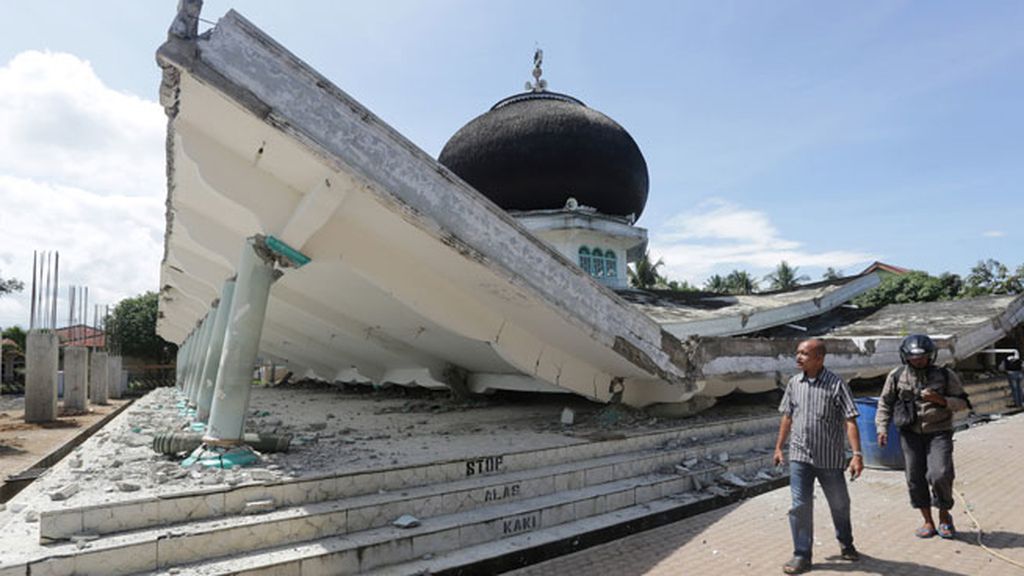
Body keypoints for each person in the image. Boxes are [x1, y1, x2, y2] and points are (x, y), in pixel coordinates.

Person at [774, 338, 863, 574]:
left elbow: (850, 420)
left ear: (819, 358)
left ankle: (846, 541)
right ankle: (802, 554)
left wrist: (857, 454)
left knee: (840, 504)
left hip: (829, 459)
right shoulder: (794, 383)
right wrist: (778, 447)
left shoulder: (836, 384)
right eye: (798, 352)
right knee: (800, 505)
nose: (798, 357)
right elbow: (787, 416)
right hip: (800, 455)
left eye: (804, 353)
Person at [876, 334, 968, 540]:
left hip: (939, 432)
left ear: (931, 356)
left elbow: (963, 403)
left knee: (940, 474)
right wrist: (881, 428)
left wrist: (941, 400)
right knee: (915, 478)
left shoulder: (945, 375)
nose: (918, 361)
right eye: (914, 358)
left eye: (923, 357)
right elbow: (885, 403)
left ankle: (945, 516)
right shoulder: (897, 375)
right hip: (910, 434)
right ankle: (928, 521)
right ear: (905, 357)